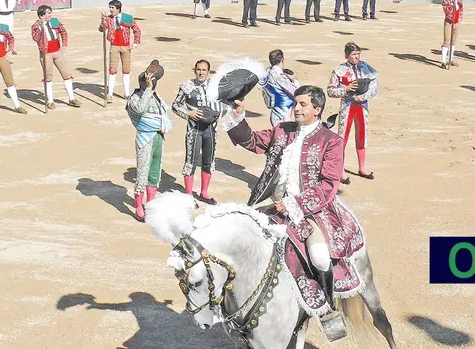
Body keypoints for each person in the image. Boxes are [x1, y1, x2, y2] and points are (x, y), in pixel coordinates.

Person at [225, 85, 365, 325]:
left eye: (303, 104)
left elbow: (328, 184)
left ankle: (327, 308)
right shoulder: (283, 130)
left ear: (317, 109)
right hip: (275, 206)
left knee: (320, 256)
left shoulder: (331, 141)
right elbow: (253, 142)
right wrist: (238, 113)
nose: (296, 108)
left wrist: (294, 204)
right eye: (296, 103)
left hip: (313, 212)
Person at [172, 59, 225, 204]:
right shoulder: (187, 86)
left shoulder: (215, 87)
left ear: (208, 72)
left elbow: (224, 105)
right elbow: (175, 105)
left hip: (210, 129)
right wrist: (188, 114)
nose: (201, 72)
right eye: (198, 69)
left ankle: (204, 192)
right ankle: (189, 194)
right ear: (195, 70)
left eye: (204, 70)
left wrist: (218, 114)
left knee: (208, 161)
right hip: (194, 129)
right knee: (191, 161)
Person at [126, 60, 172, 221]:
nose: (151, 85)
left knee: (154, 173)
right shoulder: (135, 98)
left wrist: (163, 125)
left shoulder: (156, 97)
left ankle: (150, 204)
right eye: (147, 83)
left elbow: (164, 116)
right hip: (145, 138)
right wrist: (148, 90)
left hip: (158, 138)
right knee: (142, 173)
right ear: (141, 84)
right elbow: (140, 109)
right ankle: (138, 206)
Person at [327, 42, 379, 184]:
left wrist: (363, 96)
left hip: (362, 105)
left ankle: (362, 167)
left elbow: (374, 87)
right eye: (353, 54)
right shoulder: (339, 70)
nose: (356, 57)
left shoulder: (366, 68)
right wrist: (346, 89)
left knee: (362, 136)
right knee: (342, 138)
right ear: (346, 55)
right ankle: (341, 169)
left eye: (358, 54)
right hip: (347, 105)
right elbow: (330, 91)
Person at [31, 5, 81, 109]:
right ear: (41, 15)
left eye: (50, 12)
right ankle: (49, 101)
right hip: (46, 54)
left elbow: (63, 32)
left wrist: (64, 45)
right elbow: (36, 38)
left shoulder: (54, 21)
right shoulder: (35, 26)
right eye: (48, 13)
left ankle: (71, 99)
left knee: (66, 74)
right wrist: (41, 28)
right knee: (48, 77)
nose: (50, 15)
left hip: (57, 52)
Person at [99, 0, 142, 103]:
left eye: (112, 8)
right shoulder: (108, 19)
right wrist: (102, 21)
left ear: (118, 8)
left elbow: (137, 30)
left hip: (126, 47)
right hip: (114, 46)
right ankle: (109, 94)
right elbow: (101, 30)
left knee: (126, 70)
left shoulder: (128, 18)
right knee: (112, 70)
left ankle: (126, 94)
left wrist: (135, 43)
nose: (110, 10)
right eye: (110, 7)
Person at [259, 49, 300, 126]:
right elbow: (296, 92)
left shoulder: (266, 72)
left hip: (276, 111)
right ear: (282, 59)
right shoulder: (280, 76)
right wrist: (294, 80)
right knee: (284, 135)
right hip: (282, 113)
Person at [441, 0, 463, 69]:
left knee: (453, 42)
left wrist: (460, 18)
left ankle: (450, 59)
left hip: (456, 23)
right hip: (449, 23)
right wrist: (452, 2)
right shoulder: (446, 0)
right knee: (446, 41)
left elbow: (461, 10)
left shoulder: (458, 0)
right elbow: (447, 11)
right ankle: (443, 61)